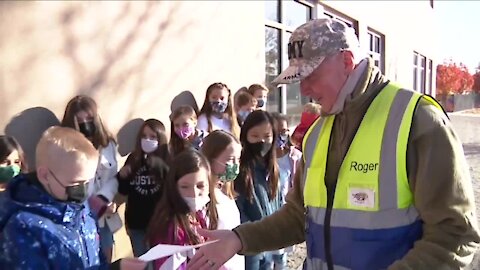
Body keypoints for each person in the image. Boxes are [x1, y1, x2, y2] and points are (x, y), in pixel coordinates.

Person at [188, 18, 480, 270]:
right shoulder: (317, 133)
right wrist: (239, 238)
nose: (303, 89)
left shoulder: (417, 119)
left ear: (347, 61)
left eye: (311, 75)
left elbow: (455, 235)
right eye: (298, 78)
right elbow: (297, 217)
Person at [0, 126, 145, 270]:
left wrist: (116, 268)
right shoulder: (22, 228)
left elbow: (96, 263)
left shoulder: (82, 210)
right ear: (45, 176)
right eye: (75, 183)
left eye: (88, 182)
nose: (83, 191)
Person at [62, 95, 120, 262]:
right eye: (79, 120)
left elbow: (114, 177)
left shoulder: (107, 144)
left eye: (88, 118)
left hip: (104, 214)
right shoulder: (65, 148)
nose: (85, 123)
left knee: (106, 258)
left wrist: (104, 199)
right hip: (79, 216)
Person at [146, 149, 219, 270]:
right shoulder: (170, 227)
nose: (194, 193)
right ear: (173, 187)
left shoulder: (199, 215)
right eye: (185, 186)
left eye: (200, 186)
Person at [234, 110, 281, 270]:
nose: (261, 141)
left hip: (273, 243)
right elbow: (238, 211)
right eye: (254, 136)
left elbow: (279, 204)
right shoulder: (240, 171)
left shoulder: (273, 170)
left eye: (267, 136)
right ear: (245, 137)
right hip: (250, 247)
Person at [117, 119, 170, 257]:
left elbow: (172, 187)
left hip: (160, 223)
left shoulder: (167, 158)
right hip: (137, 223)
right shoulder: (134, 158)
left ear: (161, 138)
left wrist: (159, 166)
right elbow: (124, 191)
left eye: (153, 137)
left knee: (161, 262)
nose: (147, 140)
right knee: (142, 262)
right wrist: (122, 176)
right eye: (144, 136)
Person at [201, 130, 245, 270]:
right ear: (211, 158)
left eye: (238, 160)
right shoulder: (203, 198)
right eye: (230, 160)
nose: (235, 165)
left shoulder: (225, 193)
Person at [270, 112, 302, 269]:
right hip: (269, 214)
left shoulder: (296, 157)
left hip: (287, 213)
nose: (280, 136)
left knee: (281, 256)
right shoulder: (264, 158)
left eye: (283, 131)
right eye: (275, 133)